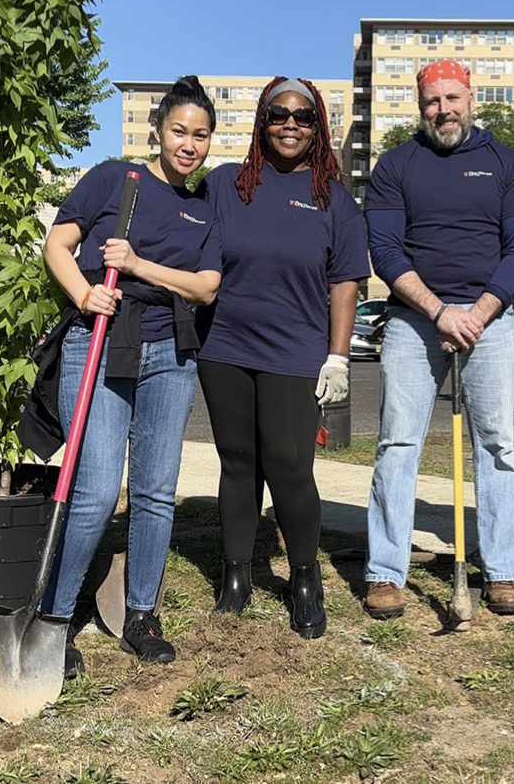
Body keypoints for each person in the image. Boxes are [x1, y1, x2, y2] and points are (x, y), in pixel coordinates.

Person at [38, 76, 223, 677]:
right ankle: (54, 617)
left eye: (200, 135)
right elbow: (58, 245)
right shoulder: (115, 179)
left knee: (154, 492)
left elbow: (205, 287)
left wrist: (139, 264)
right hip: (99, 339)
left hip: (171, 353)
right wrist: (84, 293)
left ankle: (141, 614)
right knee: (95, 491)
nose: (189, 144)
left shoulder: (204, 208)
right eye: (179, 131)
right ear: (158, 130)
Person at [364, 59, 514, 620]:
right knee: (398, 443)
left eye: (452, 98)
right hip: (414, 321)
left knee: (497, 445)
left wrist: (479, 312)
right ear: (421, 107)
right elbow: (386, 252)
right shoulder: (395, 165)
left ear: (471, 99)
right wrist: (439, 311)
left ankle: (503, 571)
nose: (443, 110)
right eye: (432, 101)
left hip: (490, 323)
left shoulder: (507, 164)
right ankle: (385, 572)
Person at [195, 77, 369, 640]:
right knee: (237, 460)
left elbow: (345, 284)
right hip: (224, 347)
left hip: (295, 352)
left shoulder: (335, 201)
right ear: (261, 121)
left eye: (303, 116)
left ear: (318, 127)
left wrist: (338, 357)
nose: (290, 124)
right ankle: (237, 575)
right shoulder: (225, 186)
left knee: (290, 466)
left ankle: (304, 579)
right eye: (278, 114)